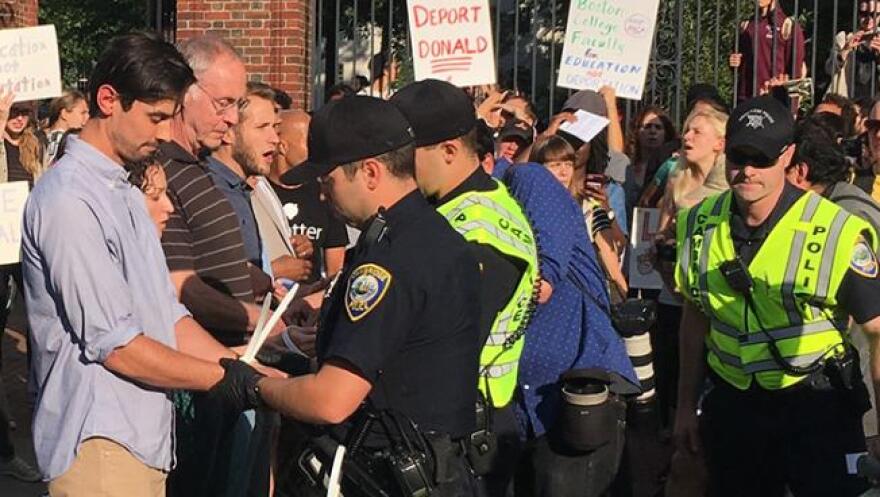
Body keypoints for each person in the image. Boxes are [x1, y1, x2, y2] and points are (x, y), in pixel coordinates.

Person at [20, 32, 264, 497]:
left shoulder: (127, 193)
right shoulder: (69, 199)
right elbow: (116, 345)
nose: (163, 133)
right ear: (108, 99)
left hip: (143, 438)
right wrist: (226, 379)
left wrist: (244, 369)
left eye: (170, 117)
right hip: (98, 442)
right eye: (154, 117)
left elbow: (166, 316)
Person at [253, 95, 482, 497]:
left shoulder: (389, 260)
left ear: (371, 171)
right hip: (436, 467)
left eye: (329, 181)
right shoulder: (437, 239)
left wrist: (255, 385)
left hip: (389, 472)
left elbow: (331, 399)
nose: (322, 195)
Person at [674, 95, 880, 497]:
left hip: (819, 407)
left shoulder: (836, 231)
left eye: (762, 158)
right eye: (738, 156)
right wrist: (684, 406)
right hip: (735, 406)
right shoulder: (697, 222)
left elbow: (877, 329)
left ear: (787, 156)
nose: (748, 170)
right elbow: (695, 313)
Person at [391, 79, 539, 497]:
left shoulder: (478, 227)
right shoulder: (454, 206)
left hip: (467, 433)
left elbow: (449, 342)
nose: (395, 167)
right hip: (458, 423)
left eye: (405, 156)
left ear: (450, 151)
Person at [157, 34, 280, 497]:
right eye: (224, 103)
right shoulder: (161, 173)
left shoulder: (196, 166)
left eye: (237, 104)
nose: (231, 119)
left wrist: (269, 290)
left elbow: (211, 262)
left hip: (236, 365)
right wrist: (265, 321)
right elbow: (180, 285)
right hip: (205, 377)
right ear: (184, 92)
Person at [501, 160, 639, 497]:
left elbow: (542, 283)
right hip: (515, 406)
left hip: (575, 390)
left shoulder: (524, 179)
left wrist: (542, 276)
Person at [268, 109, 348, 285]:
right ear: (282, 146)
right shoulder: (257, 192)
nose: (316, 151)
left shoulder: (323, 193)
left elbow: (336, 271)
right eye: (309, 143)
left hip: (306, 304)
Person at [729, 0, 807, 103]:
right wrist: (734, 61)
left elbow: (795, 71)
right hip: (746, 97)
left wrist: (793, 107)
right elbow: (738, 59)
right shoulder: (747, 25)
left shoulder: (787, 25)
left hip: (775, 98)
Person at [826, 1, 880, 100]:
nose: (869, 20)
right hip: (846, 102)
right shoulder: (844, 37)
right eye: (864, 14)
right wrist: (845, 51)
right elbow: (829, 70)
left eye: (874, 15)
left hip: (874, 104)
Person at [44, 89, 89, 163]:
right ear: (64, 114)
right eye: (83, 113)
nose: (87, 117)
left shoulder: (44, 138)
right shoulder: (67, 141)